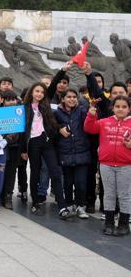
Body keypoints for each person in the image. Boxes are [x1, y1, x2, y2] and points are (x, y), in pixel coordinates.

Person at [21, 83, 73, 219]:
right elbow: (21, 131)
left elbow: (54, 123)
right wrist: (23, 149)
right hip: (33, 143)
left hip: (47, 142)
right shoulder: (24, 108)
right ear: (31, 92)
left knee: (55, 171)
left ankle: (62, 206)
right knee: (35, 172)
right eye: (37, 91)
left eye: (42, 92)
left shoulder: (46, 106)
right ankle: (35, 203)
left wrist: (61, 127)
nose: (39, 94)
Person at [84, 95, 131, 237]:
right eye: (117, 106)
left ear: (129, 109)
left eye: (124, 107)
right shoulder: (104, 122)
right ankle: (109, 223)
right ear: (112, 108)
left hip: (126, 165)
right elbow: (90, 128)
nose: (120, 109)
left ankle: (123, 224)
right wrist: (91, 115)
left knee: (125, 195)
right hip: (106, 164)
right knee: (109, 194)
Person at [54, 88, 91, 219]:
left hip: (82, 152)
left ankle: (80, 206)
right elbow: (51, 126)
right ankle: (69, 204)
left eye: (74, 97)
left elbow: (89, 122)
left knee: (81, 182)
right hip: (65, 152)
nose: (72, 99)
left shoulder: (81, 111)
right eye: (68, 97)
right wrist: (59, 129)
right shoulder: (57, 113)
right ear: (63, 99)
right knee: (68, 182)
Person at [0, 90, 26, 209]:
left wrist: (8, 140)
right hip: (0, 147)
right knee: (0, 171)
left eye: (13, 100)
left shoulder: (20, 112)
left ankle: (8, 196)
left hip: (14, 147)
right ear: (3, 101)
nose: (11, 102)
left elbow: (21, 132)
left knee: (11, 173)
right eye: (8, 100)